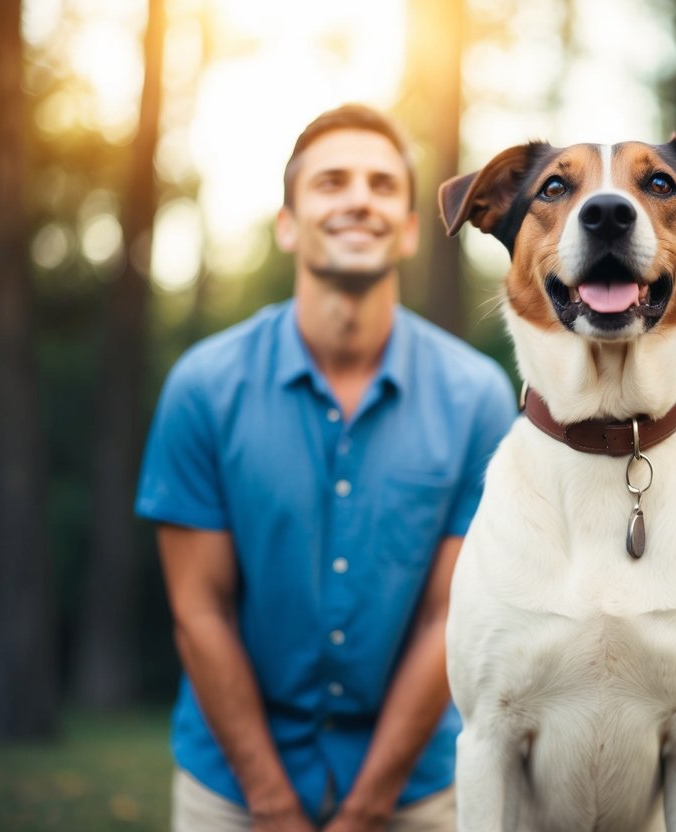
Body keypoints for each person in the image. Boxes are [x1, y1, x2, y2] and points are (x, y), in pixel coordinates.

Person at [136, 104, 516, 831]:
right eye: (331, 181)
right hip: (229, 784)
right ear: (288, 222)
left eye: (380, 185)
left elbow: (452, 616)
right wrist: (272, 806)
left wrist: (368, 807)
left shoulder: (476, 398)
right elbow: (199, 609)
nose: (357, 199)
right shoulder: (203, 387)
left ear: (407, 228)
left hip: (418, 788)